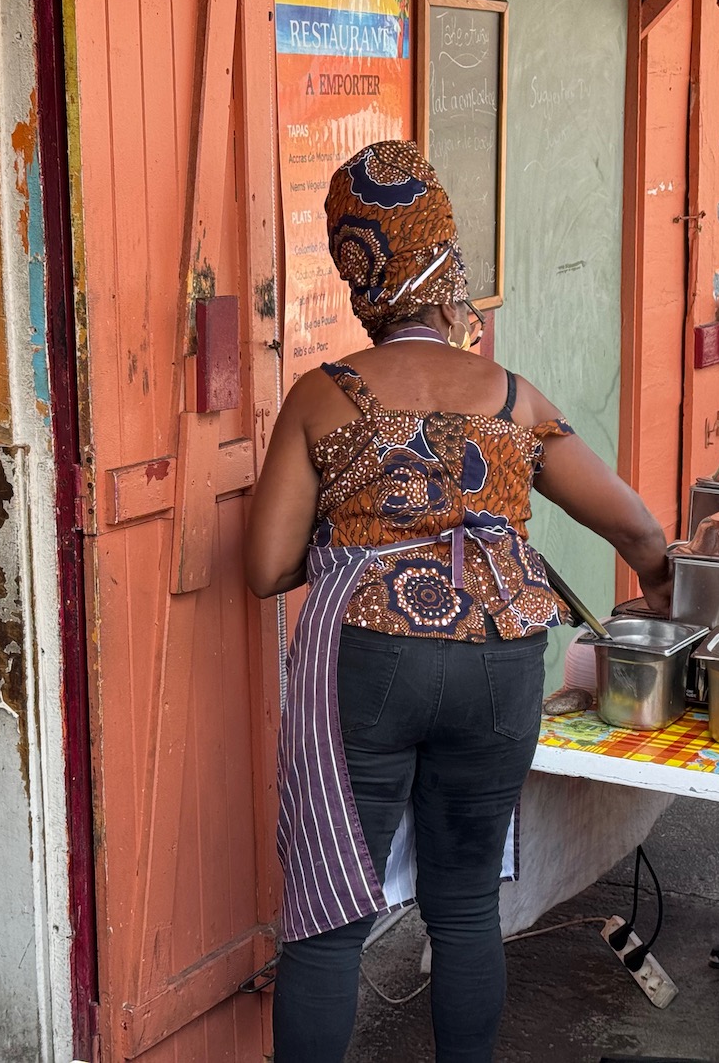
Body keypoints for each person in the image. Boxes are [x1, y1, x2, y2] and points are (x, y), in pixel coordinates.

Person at [245, 140, 673, 1063]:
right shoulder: (513, 398)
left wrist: (363, 542)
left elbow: (266, 565)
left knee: (326, 918)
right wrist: (660, 603)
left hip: (370, 663)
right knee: (467, 901)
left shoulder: (326, 397)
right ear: (449, 271)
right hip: (501, 664)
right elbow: (639, 532)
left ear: (361, 276)